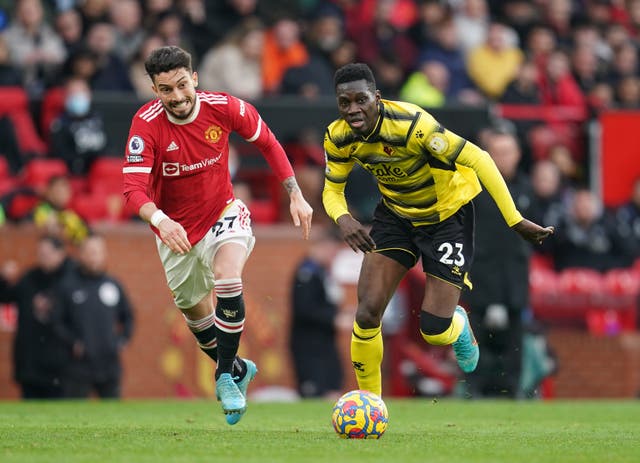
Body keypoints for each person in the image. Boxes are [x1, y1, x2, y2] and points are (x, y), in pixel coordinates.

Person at [322, 63, 554, 398]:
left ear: (377, 97)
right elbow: (331, 190)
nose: (353, 109)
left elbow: (479, 158)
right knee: (368, 310)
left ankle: (457, 325)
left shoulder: (413, 125)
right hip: (396, 216)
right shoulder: (338, 136)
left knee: (434, 329)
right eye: (345, 102)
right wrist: (342, 217)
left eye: (361, 100)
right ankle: (372, 404)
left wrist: (514, 218)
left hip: (446, 218)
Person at [122, 46, 313, 424]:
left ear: (194, 78)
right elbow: (132, 190)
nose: (176, 97)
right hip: (174, 230)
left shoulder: (225, 108)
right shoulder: (146, 124)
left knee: (228, 279)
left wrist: (296, 194)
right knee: (197, 318)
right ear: (155, 90)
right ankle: (239, 368)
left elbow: (269, 143)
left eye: (181, 85)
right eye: (165, 90)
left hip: (223, 213)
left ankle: (224, 376)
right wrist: (161, 221)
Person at [461, 129, 534, 398]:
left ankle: (515, 390)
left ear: (518, 155)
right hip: (482, 275)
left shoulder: (527, 189)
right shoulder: (474, 188)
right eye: (497, 152)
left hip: (515, 277)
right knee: (475, 335)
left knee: (516, 339)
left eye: (507, 152)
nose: (503, 158)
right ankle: (473, 389)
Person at [52, 234, 134, 399]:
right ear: (81, 254)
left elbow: (128, 316)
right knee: (74, 414)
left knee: (113, 416)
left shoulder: (113, 285)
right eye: (90, 252)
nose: (94, 257)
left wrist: (121, 340)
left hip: (109, 364)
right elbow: (56, 322)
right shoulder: (67, 285)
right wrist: (73, 343)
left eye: (98, 252)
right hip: (78, 366)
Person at [0, 235, 75, 399]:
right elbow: (5, 297)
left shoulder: (72, 280)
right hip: (31, 361)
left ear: (61, 253)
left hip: (62, 363)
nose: (43, 258)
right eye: (40, 254)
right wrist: (3, 279)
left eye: (47, 254)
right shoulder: (30, 278)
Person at [289, 227, 344, 398]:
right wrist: (334, 319)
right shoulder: (306, 272)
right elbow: (304, 309)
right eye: (333, 252)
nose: (333, 257)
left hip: (325, 343)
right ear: (323, 246)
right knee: (315, 393)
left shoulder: (322, 273)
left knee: (333, 385)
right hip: (309, 345)